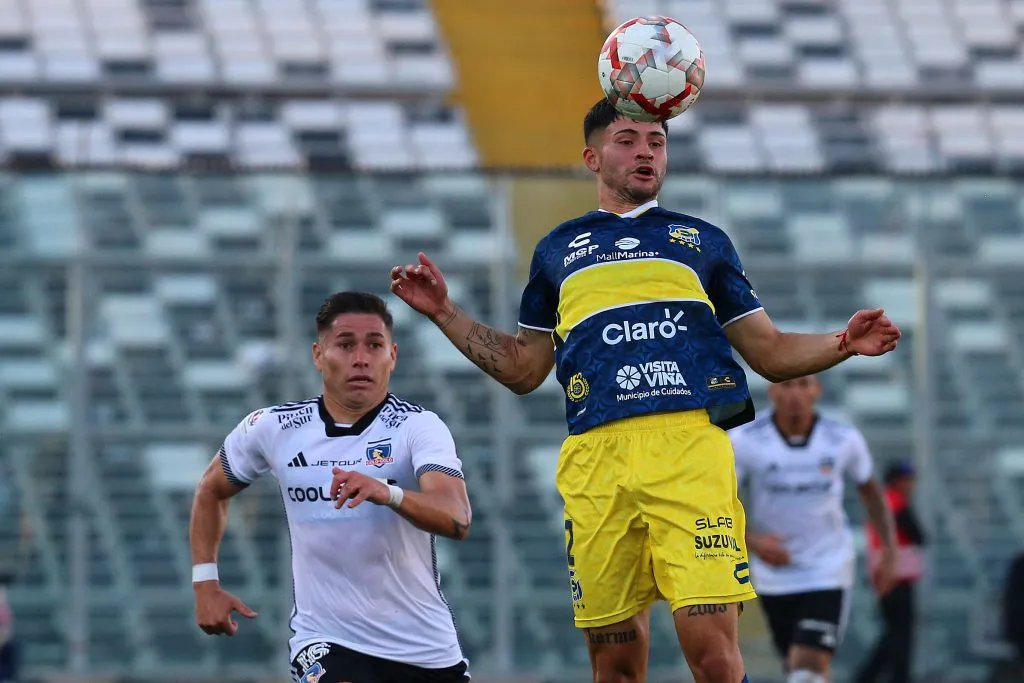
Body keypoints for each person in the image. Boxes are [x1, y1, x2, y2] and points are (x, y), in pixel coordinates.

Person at [390, 97, 902, 683]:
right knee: (615, 665)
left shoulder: (702, 241)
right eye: (628, 140)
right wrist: (445, 313)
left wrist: (842, 341)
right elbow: (523, 368)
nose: (645, 153)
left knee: (712, 656)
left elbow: (769, 351)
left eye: (656, 143)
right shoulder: (557, 251)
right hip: (596, 459)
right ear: (592, 156)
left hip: (690, 452)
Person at [189, 292, 473, 683]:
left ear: (393, 355)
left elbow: (457, 518)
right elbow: (210, 490)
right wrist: (205, 582)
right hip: (324, 641)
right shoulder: (273, 428)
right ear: (318, 355)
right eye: (345, 345)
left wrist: (386, 492)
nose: (361, 358)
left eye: (374, 345)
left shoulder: (417, 428)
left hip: (423, 650)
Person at [729, 375, 898, 683]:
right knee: (800, 667)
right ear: (772, 391)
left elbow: (871, 491)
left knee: (806, 663)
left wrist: (888, 551)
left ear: (816, 390)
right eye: (786, 385)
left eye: (803, 384)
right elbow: (721, 497)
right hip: (773, 572)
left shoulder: (843, 439)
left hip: (827, 566)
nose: (795, 393)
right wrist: (751, 540)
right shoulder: (745, 440)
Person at [855, 460, 927, 683]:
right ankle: (896, 676)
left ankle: (870, 675)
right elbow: (918, 535)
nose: (911, 485)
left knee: (893, 631)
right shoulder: (895, 502)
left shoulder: (882, 502)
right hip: (896, 576)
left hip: (883, 574)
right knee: (901, 633)